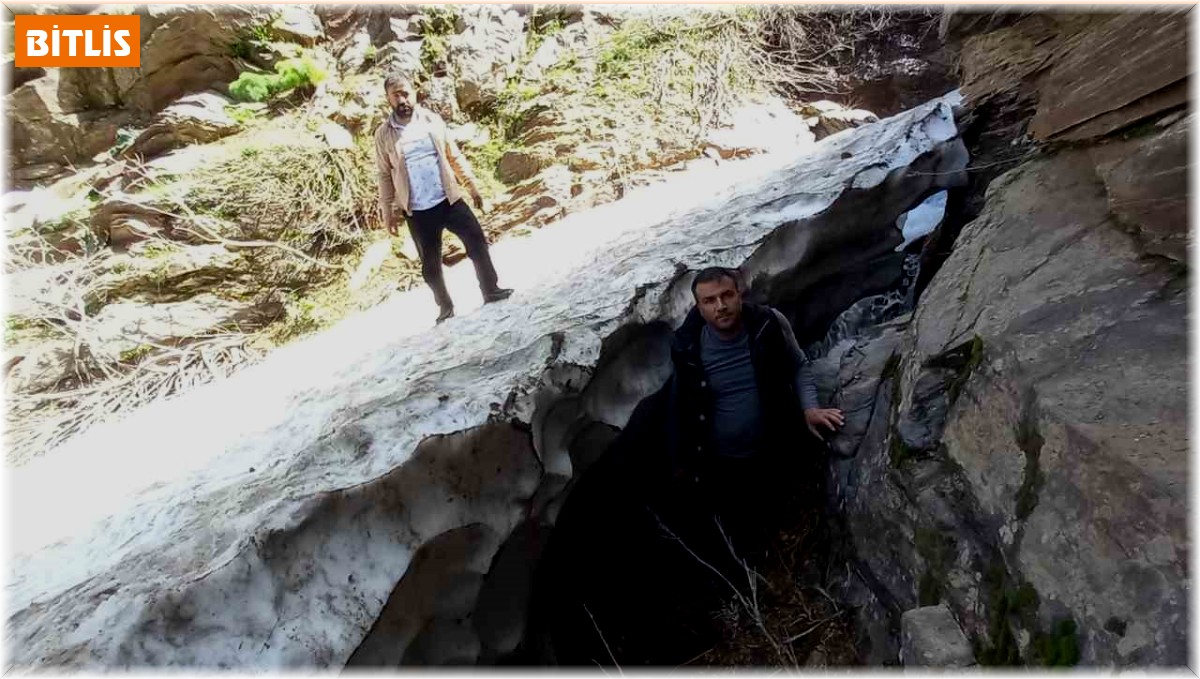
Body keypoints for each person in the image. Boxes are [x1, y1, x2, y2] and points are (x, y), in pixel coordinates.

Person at [658, 265, 844, 566]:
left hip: (776, 449)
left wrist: (810, 409)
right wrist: (681, 461)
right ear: (699, 307)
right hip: (724, 465)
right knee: (742, 537)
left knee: (790, 520)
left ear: (739, 294)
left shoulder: (767, 323)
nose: (721, 306)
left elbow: (798, 364)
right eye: (710, 301)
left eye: (726, 295)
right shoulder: (689, 347)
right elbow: (681, 405)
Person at [374, 71, 512, 323]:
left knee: (477, 241)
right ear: (388, 100)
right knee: (430, 265)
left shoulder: (430, 120)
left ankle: (490, 289)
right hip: (416, 209)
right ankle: (445, 307)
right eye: (396, 96)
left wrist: (471, 186)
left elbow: (453, 155)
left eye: (405, 93)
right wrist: (388, 211)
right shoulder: (383, 134)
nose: (402, 99)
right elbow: (384, 175)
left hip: (448, 198)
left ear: (414, 93)